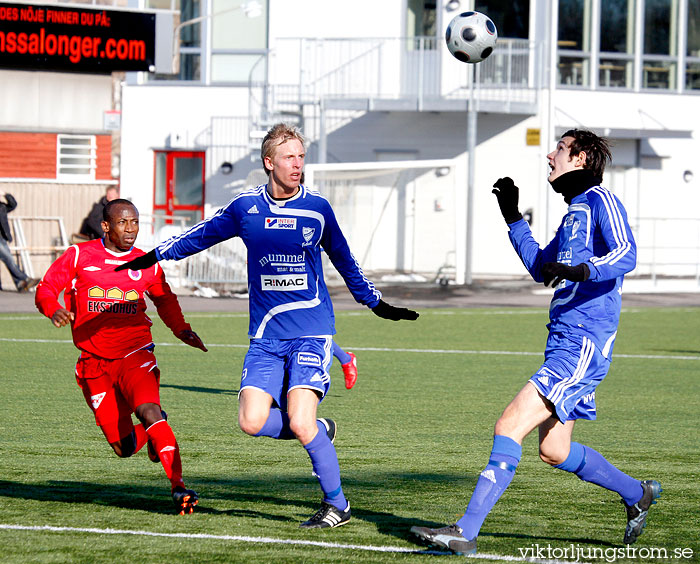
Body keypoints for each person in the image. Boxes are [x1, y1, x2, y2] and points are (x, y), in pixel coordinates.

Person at [116, 123, 419, 528]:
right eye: (289, 157)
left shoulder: (318, 209)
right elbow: (201, 235)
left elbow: (345, 261)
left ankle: (338, 504)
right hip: (265, 336)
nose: (298, 165)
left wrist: (375, 303)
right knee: (251, 421)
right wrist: (153, 255)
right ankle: (318, 431)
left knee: (298, 419)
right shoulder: (245, 209)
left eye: (301, 157)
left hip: (312, 329)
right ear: (269, 163)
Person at [411, 129, 661, 554]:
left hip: (582, 342)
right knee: (554, 449)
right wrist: (512, 216)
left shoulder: (601, 200)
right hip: (565, 340)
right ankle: (637, 494)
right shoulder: (573, 215)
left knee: (509, 424)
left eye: (559, 149)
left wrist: (585, 270)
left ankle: (465, 531)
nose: (550, 155)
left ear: (580, 158)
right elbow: (541, 267)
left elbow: (626, 253)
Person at [35, 198, 207, 515]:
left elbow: (164, 299)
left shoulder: (146, 262)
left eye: (135, 222)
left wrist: (181, 329)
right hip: (93, 363)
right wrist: (53, 308)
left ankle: (178, 486)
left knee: (148, 410)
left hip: (135, 353)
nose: (130, 230)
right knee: (124, 448)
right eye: (122, 223)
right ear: (105, 226)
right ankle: (155, 429)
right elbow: (46, 287)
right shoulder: (78, 256)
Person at [0, 191, 39, 292]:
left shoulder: (1, 206)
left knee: (9, 260)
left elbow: (13, 205)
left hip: (3, 238)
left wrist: (5, 194)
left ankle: (20, 284)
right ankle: (24, 279)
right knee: (8, 259)